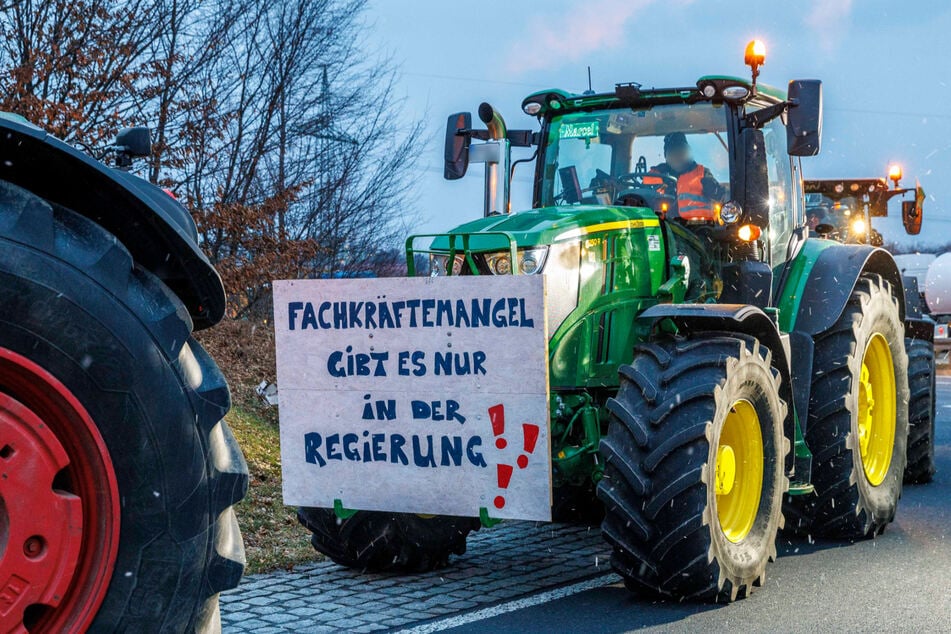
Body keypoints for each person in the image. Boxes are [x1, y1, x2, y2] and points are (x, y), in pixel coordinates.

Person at [644, 132, 726, 221]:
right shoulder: (654, 175)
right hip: (658, 229)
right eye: (673, 153)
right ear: (666, 157)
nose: (677, 157)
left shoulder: (702, 173)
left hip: (697, 229)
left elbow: (720, 196)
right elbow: (640, 198)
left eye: (681, 152)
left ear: (688, 153)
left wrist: (713, 190)